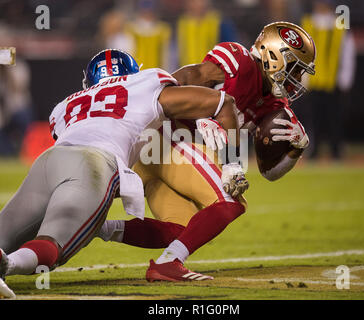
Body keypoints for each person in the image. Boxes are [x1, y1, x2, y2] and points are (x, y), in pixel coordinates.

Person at [0, 49, 247, 298]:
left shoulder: (65, 105)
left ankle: (5, 257)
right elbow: (223, 102)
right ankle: (7, 266)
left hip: (47, 160)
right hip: (95, 163)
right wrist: (232, 163)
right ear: (132, 72)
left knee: (5, 233)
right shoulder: (144, 82)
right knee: (55, 245)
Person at [97, 21, 315, 282]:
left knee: (184, 228)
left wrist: (294, 151)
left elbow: (269, 172)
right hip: (166, 141)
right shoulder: (240, 62)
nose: (297, 79)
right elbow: (184, 78)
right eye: (294, 68)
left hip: (168, 156)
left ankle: (98, 229)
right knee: (229, 201)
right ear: (274, 56)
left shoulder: (273, 104)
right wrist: (192, 108)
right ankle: (170, 263)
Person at [300, 0, 356, 160]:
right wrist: (304, 79)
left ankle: (336, 149)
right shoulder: (308, 24)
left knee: (334, 118)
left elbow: (347, 53)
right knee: (314, 118)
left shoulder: (340, 27)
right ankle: (315, 149)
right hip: (315, 80)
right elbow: (303, 54)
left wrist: (345, 78)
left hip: (333, 81)